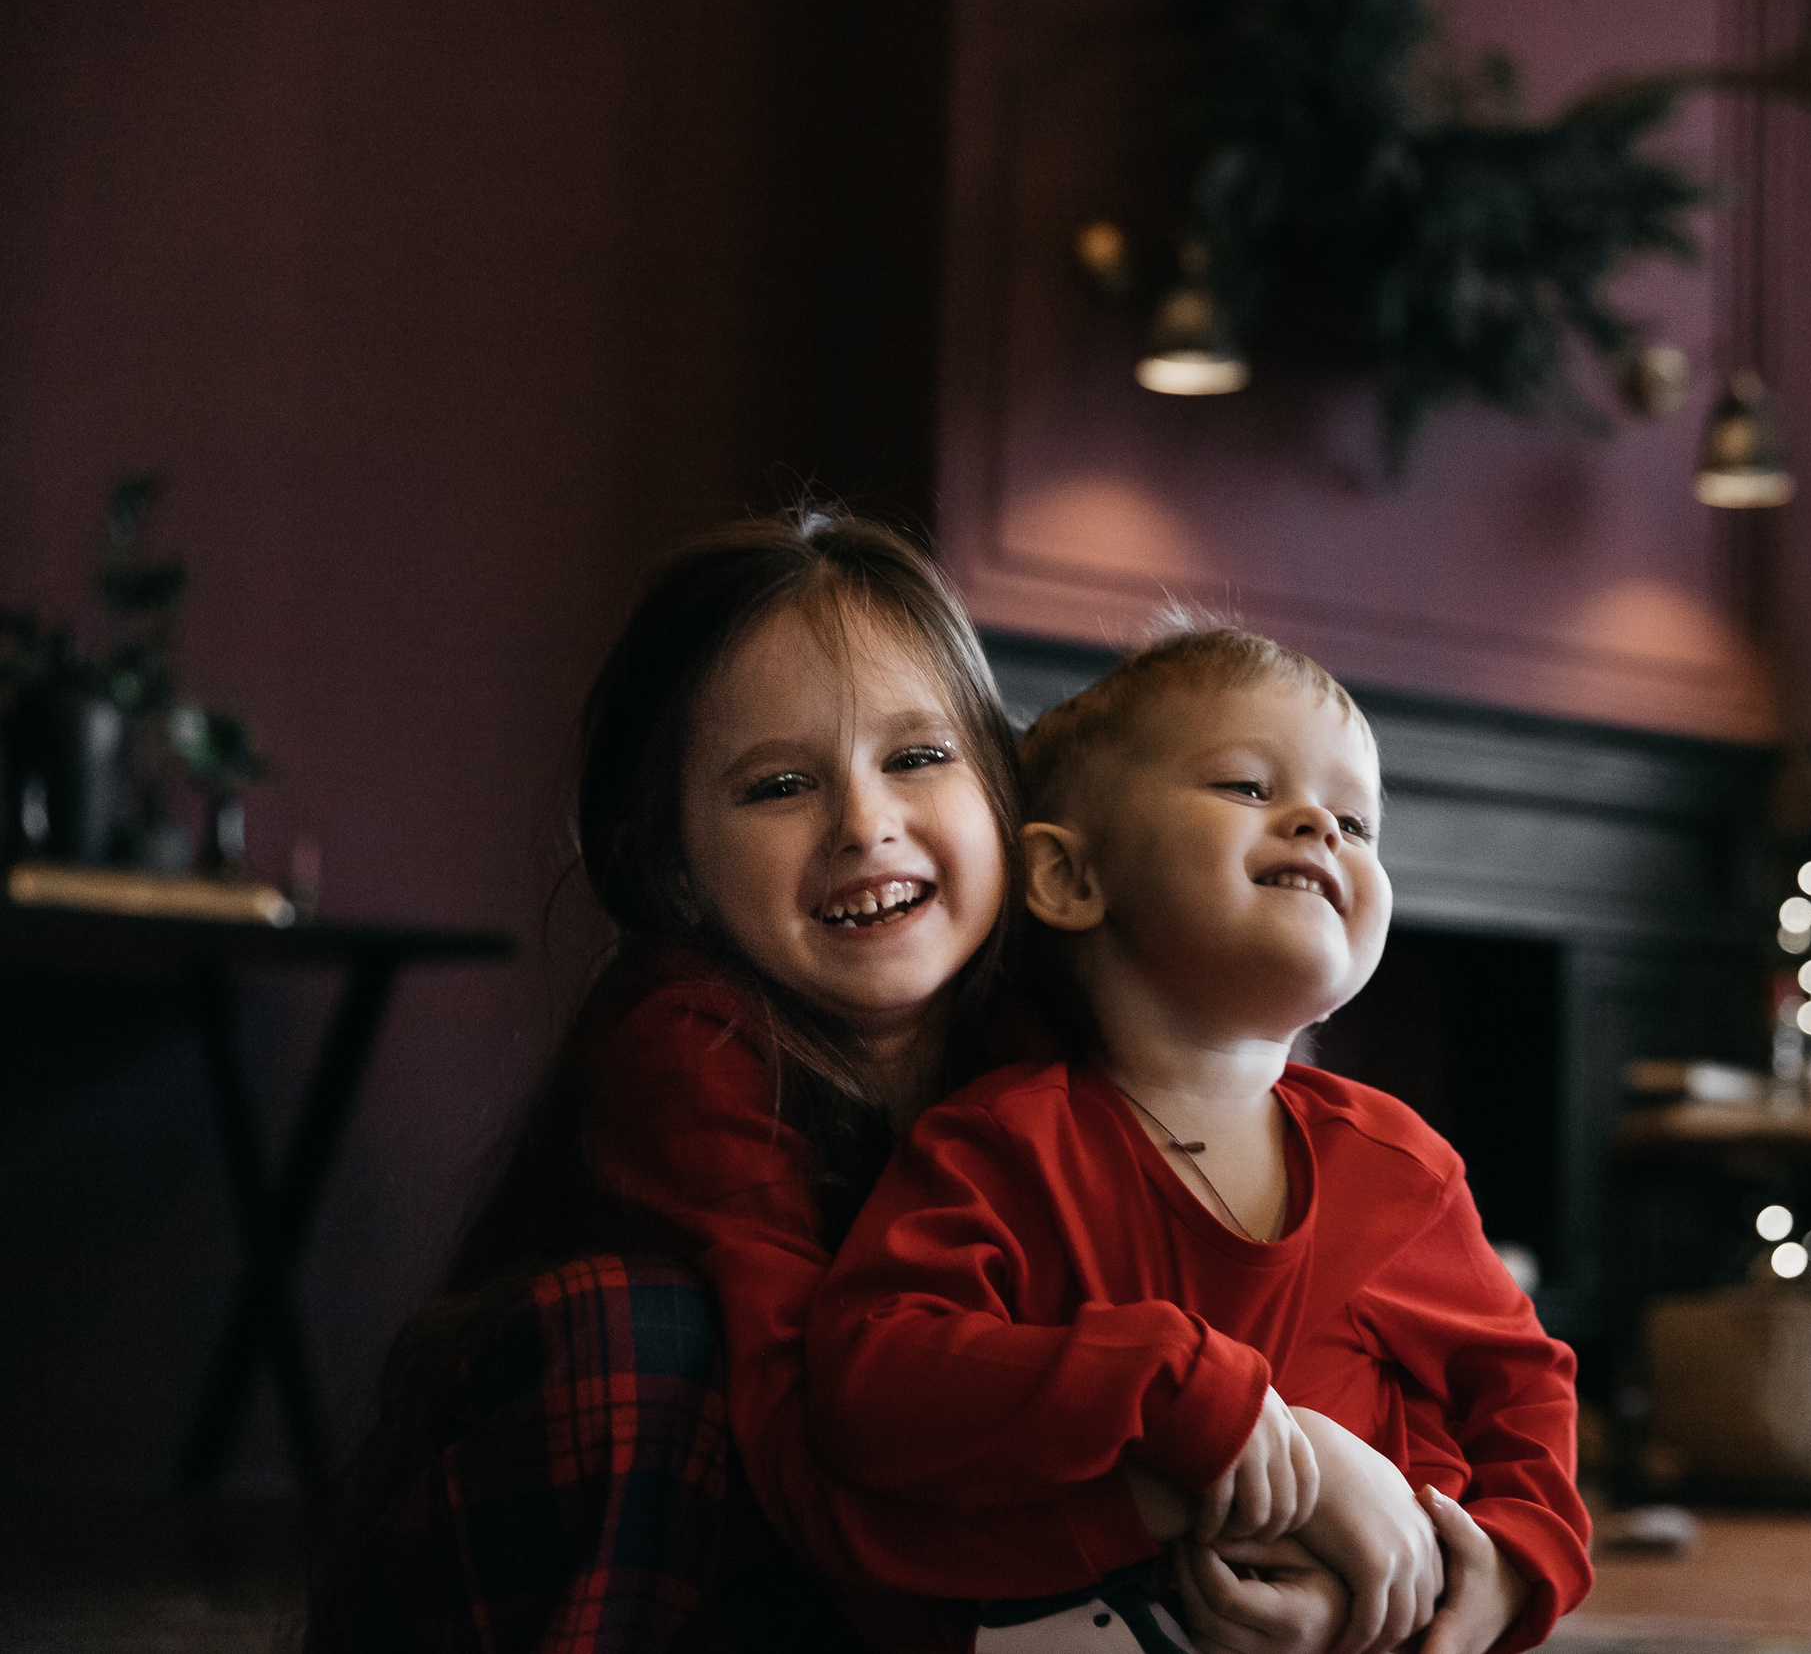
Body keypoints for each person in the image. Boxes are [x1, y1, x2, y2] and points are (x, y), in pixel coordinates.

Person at [309, 513, 1415, 1653]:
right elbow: (808, 1453)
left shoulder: (1071, 1033)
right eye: (779, 784)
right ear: (673, 867)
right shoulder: (687, 1052)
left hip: (927, 1579)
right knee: (637, 1331)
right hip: (706, 1550)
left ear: (1008, 799)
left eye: (920, 757)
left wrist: (1447, 1557)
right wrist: (1175, 1491)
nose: (864, 825)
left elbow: (1313, 1343)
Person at [802, 627, 1593, 1654]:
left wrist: (1509, 1567)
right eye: (1247, 788)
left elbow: (1522, 1388)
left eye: (1357, 821)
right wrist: (1164, 1382)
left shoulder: (1399, 1169)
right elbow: (873, 1375)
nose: (1321, 826)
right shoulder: (1002, 1146)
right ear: (1068, 878)